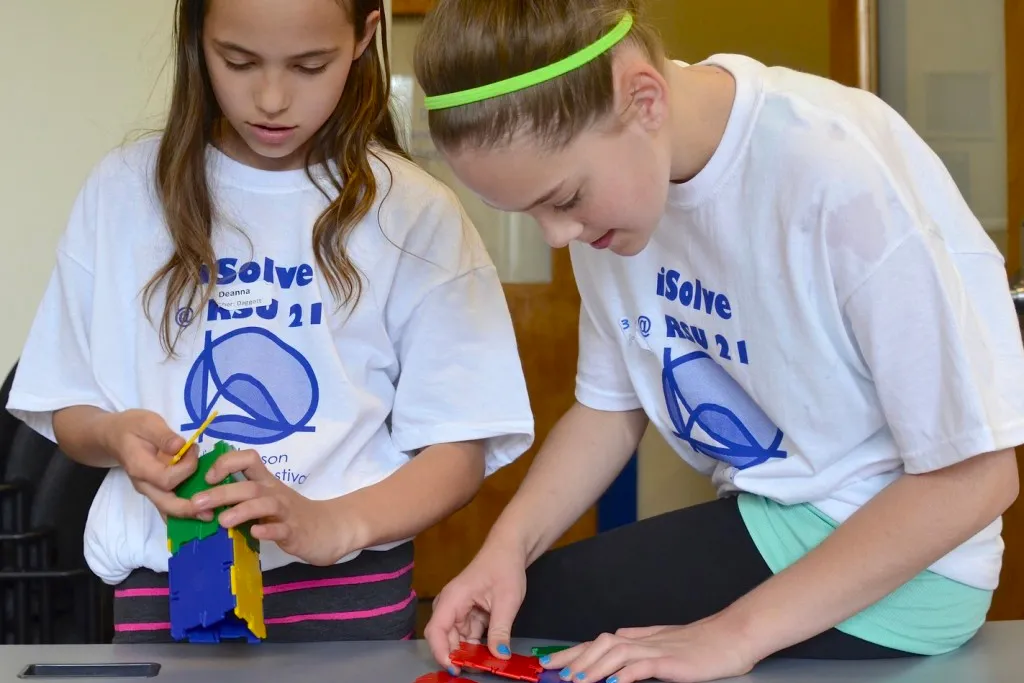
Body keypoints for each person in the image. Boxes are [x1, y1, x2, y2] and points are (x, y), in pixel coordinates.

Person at [412, 0, 1024, 681]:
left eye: (563, 198)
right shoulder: (609, 205)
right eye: (530, 213)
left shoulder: (834, 173)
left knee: (550, 632)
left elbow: (976, 477)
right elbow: (609, 409)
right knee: (508, 621)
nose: (557, 235)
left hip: (913, 569)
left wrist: (730, 636)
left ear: (643, 99)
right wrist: (507, 548)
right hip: (773, 519)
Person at [6, 0, 534, 643]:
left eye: (311, 65)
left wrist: (333, 523)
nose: (273, 98)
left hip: (350, 595)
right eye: (238, 61)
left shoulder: (415, 212)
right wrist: (115, 435)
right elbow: (66, 409)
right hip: (166, 582)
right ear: (197, 37)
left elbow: (459, 447)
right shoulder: (121, 192)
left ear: (365, 38)